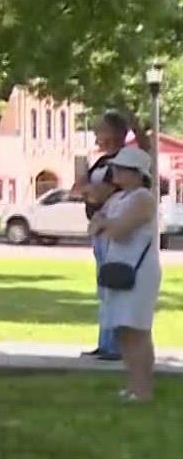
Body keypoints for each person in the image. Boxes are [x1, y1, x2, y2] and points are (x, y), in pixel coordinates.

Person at [90, 147, 161, 402]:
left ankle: (143, 390)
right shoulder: (117, 198)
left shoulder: (143, 198)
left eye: (121, 168)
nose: (115, 172)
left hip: (138, 272)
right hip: (117, 270)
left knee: (137, 330)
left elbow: (120, 231)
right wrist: (103, 224)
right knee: (122, 330)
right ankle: (132, 385)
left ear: (137, 173)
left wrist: (105, 225)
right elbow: (94, 226)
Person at [75, 111, 138, 360]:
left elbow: (101, 194)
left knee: (116, 287)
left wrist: (91, 191)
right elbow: (77, 189)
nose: (96, 135)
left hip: (114, 230)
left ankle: (117, 346)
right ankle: (105, 342)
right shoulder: (101, 163)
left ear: (113, 133)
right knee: (104, 289)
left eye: (100, 130)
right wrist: (88, 191)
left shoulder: (125, 161)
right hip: (98, 231)